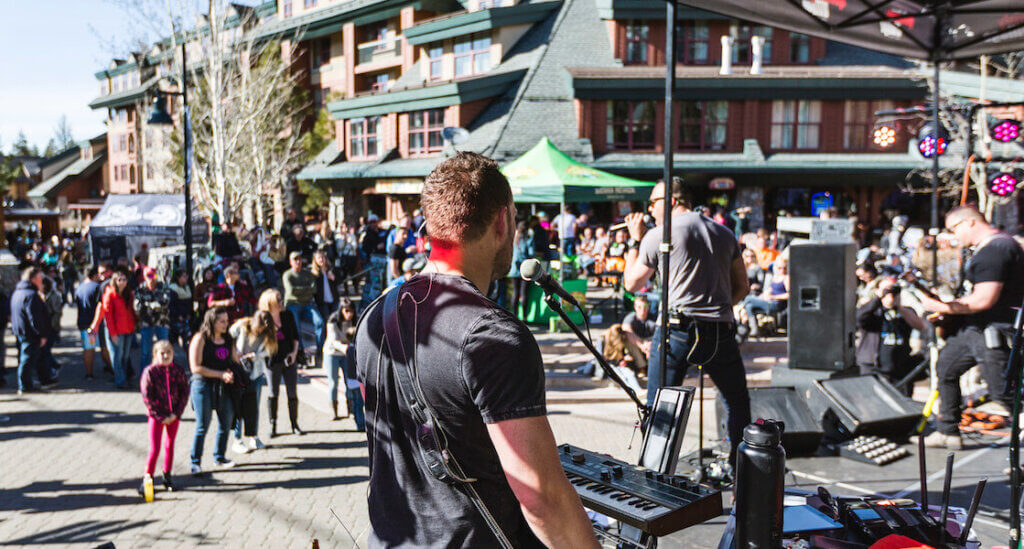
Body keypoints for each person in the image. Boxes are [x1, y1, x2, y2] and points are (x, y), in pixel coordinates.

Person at [355, 152, 597, 547]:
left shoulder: (373, 317)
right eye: (515, 219)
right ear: (502, 222)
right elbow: (540, 497)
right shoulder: (493, 336)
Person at [624, 177, 751, 462]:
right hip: (719, 329)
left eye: (653, 202)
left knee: (661, 408)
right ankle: (741, 469)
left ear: (670, 201)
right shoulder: (724, 233)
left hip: (677, 330)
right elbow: (743, 286)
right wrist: (716, 306)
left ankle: (657, 474)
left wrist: (634, 240)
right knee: (737, 401)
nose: (650, 209)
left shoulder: (659, 235)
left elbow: (631, 283)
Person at [915, 206, 1024, 449]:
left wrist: (942, 307)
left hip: (991, 331)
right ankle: (948, 430)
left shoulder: (994, 251)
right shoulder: (997, 247)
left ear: (970, 223)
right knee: (946, 367)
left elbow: (984, 299)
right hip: (974, 330)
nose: (954, 237)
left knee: (1004, 392)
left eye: (954, 229)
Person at [188, 307, 239, 474]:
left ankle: (219, 456)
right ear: (212, 321)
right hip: (203, 385)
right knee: (203, 424)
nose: (226, 324)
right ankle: (195, 462)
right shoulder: (200, 338)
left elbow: (233, 359)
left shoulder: (228, 338)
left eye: (227, 320)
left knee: (226, 422)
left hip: (223, 385)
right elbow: (196, 367)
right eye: (222, 321)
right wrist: (220, 374)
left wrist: (241, 361)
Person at [856, 277, 926, 394]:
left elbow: (920, 326)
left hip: (899, 369)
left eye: (894, 290)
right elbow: (859, 319)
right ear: (877, 290)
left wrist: (899, 307)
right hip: (873, 368)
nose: (890, 294)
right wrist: (878, 298)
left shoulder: (906, 311)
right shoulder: (873, 311)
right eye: (886, 290)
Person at [139, 340, 189, 495]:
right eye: (162, 353)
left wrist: (176, 413)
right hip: (157, 417)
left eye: (169, 352)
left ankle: (167, 475)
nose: (166, 356)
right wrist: (160, 416)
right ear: (155, 355)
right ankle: (148, 478)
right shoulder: (150, 372)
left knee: (170, 445)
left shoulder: (178, 371)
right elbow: (147, 398)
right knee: (155, 448)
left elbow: (184, 392)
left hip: (174, 415)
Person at [258, 288, 302, 437]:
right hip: (272, 360)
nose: (280, 302)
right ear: (269, 303)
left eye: (280, 298)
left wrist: (294, 353)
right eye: (277, 300)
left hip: (289, 358)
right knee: (273, 393)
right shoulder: (263, 318)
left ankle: (294, 424)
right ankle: (273, 424)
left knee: (292, 392)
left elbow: (295, 336)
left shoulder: (287, 315)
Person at [229, 311, 274, 453]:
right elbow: (227, 336)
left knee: (253, 406)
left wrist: (256, 356)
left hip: (255, 373)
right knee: (239, 406)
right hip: (239, 372)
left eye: (264, 328)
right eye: (259, 327)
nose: (261, 330)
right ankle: (237, 440)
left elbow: (270, 351)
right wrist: (234, 352)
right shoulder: (242, 326)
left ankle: (254, 437)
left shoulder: (268, 333)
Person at [10, 267, 57, 393]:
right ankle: (24, 386)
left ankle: (28, 383)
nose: (42, 282)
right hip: (30, 333)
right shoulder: (30, 295)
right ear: (34, 279)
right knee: (27, 359)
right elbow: (35, 318)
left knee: (28, 358)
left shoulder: (18, 292)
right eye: (40, 279)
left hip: (22, 331)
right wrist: (42, 334)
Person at [89, 269, 136, 389]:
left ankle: (123, 377)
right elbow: (108, 316)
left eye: (124, 280)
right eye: (120, 280)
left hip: (128, 329)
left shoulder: (128, 294)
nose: (122, 282)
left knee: (125, 356)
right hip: (116, 331)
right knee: (117, 356)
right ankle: (120, 380)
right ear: (115, 281)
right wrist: (112, 333)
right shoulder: (109, 294)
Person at [324, 298, 361, 427]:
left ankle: (350, 409)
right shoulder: (333, 319)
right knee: (333, 382)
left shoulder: (355, 320)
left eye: (351, 311)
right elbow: (333, 340)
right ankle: (334, 410)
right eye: (346, 311)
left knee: (348, 381)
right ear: (341, 310)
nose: (349, 314)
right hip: (332, 353)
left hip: (347, 353)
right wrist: (346, 347)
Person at [282, 251, 322, 368]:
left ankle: (319, 352)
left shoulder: (307, 274)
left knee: (319, 322)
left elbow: (314, 289)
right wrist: (306, 289)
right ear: (290, 262)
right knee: (296, 328)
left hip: (307, 304)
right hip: (293, 304)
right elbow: (291, 291)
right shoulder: (287, 275)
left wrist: (301, 290)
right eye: (295, 259)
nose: (298, 262)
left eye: (299, 259)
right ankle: (301, 354)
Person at [135, 266, 174, 371]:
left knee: (165, 350)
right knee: (146, 352)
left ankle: (166, 372)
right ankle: (146, 374)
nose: (152, 278)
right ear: (144, 277)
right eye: (149, 276)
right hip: (146, 323)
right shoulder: (140, 289)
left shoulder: (163, 287)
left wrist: (148, 306)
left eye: (153, 275)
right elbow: (137, 307)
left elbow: (165, 303)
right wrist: (155, 305)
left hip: (162, 322)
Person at [742, 257, 790, 337]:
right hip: (768, 301)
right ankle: (754, 330)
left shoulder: (786, 278)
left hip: (776, 303)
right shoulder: (775, 277)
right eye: (779, 268)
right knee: (749, 306)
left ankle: (743, 315)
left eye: (784, 268)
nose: (782, 270)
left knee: (748, 299)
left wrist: (773, 297)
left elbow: (789, 295)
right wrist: (762, 296)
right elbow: (768, 290)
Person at [74, 267, 104, 381]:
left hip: (82, 321)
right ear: (95, 275)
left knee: (88, 348)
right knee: (100, 347)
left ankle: (89, 373)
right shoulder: (97, 287)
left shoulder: (79, 288)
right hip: (94, 322)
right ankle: (107, 369)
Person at [311, 250, 338, 368]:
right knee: (325, 325)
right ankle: (321, 352)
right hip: (323, 303)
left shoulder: (331, 270)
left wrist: (333, 278)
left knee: (335, 324)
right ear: (315, 261)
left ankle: (334, 348)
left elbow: (340, 281)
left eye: (323, 257)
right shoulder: (314, 274)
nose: (321, 260)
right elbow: (314, 291)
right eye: (319, 258)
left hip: (333, 300)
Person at [621, 294, 657, 373]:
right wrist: (642, 346)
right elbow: (627, 331)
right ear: (635, 307)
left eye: (645, 306)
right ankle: (642, 367)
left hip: (651, 341)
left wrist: (651, 343)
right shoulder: (630, 318)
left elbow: (660, 332)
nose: (642, 310)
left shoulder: (655, 318)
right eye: (639, 307)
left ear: (649, 307)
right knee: (626, 339)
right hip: (638, 343)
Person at [167, 270, 193, 350]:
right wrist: (178, 315)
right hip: (176, 318)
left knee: (187, 339)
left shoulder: (187, 287)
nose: (186, 278)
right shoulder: (173, 288)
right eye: (184, 276)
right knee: (172, 340)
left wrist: (189, 313)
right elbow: (171, 305)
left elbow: (189, 303)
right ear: (178, 278)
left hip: (185, 317)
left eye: (187, 276)